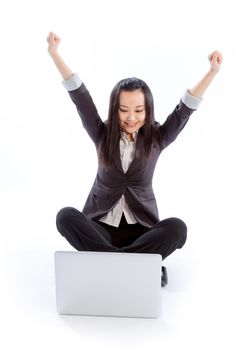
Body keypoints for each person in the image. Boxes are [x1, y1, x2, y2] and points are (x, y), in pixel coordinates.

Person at [47, 32, 223, 286]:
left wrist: (212, 71)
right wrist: (55, 54)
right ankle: (138, 266)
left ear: (147, 110)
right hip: (101, 230)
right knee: (65, 216)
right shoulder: (101, 134)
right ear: (114, 109)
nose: (131, 117)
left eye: (139, 110)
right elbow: (81, 98)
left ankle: (106, 263)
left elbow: (185, 109)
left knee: (177, 228)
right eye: (124, 110)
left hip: (142, 233)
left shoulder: (157, 138)